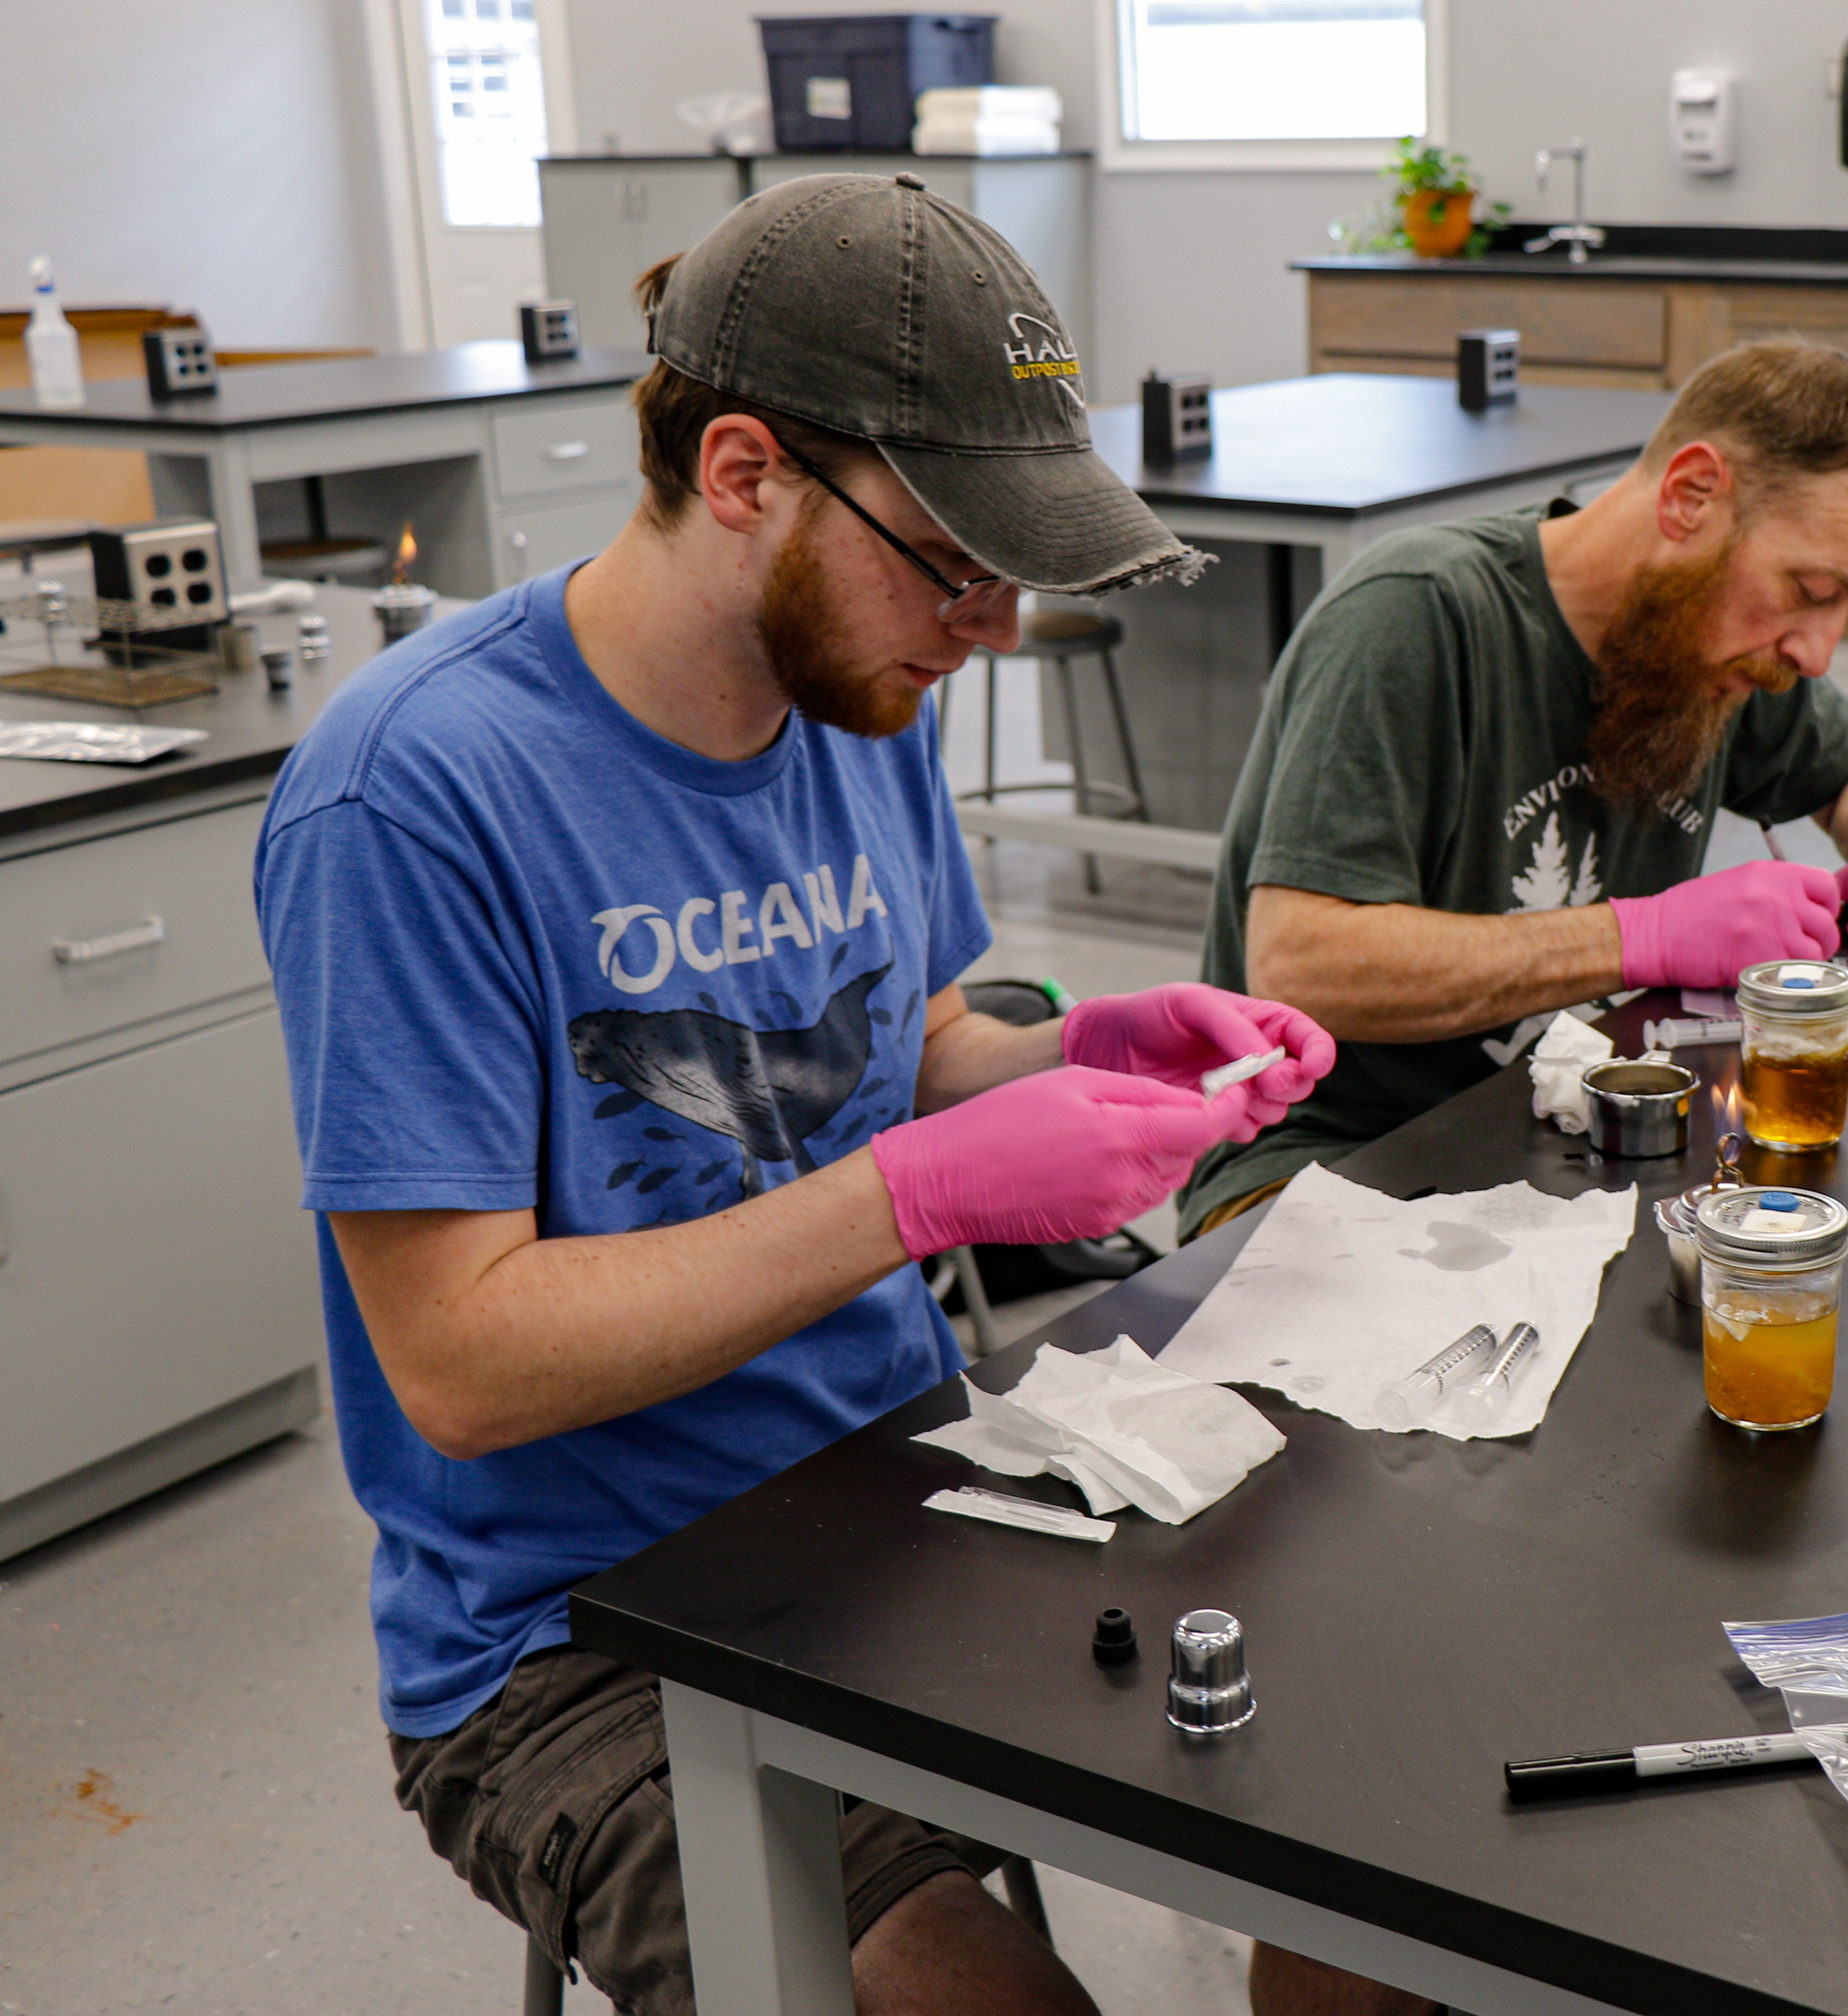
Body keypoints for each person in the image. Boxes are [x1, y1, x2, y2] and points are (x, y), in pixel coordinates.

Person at [254, 172, 1336, 2015]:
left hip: (900, 1492)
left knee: (1377, 1810)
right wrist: (920, 1195)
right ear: (744, 469)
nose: (991, 631)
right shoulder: (416, 794)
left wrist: (1080, 1045)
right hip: (573, 1628)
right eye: (954, 559)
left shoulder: (853, 696)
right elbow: (463, 1361)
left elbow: (891, 1058)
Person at [1179, 338, 1848, 1239]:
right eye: (1809, 590)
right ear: (1690, 495)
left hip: (1565, 1131)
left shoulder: (1713, 653)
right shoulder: (1414, 616)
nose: (1815, 652)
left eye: (1843, 611)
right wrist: (1646, 936)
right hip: (1332, 1160)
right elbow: (1301, 964)